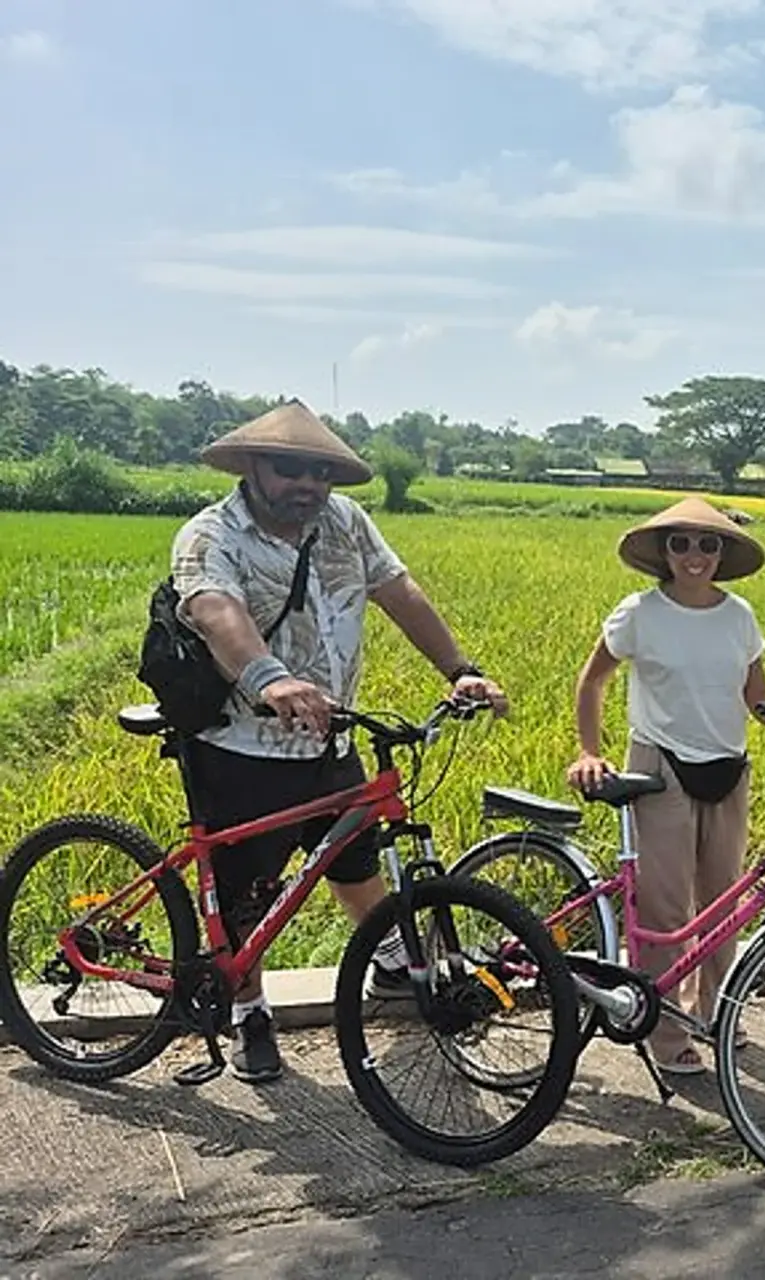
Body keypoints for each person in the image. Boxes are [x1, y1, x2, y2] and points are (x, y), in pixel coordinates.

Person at [171, 400, 508, 1084]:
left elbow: (400, 592)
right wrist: (272, 679)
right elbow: (215, 611)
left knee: (356, 863)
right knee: (247, 899)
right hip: (244, 747)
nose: (308, 484)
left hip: (332, 739)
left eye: (320, 472)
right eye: (291, 468)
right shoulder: (212, 535)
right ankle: (251, 1012)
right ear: (252, 468)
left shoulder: (346, 523)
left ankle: (387, 959)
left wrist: (460, 670)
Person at [566, 496, 765, 1076]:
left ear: (723, 553)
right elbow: (592, 682)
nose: (694, 555)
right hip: (660, 767)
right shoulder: (639, 613)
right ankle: (666, 1030)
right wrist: (589, 751)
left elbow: (758, 699)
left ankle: (718, 1012)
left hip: (729, 765)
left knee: (725, 904)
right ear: (663, 552)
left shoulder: (739, 616)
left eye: (708, 544)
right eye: (681, 544)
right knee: (666, 906)